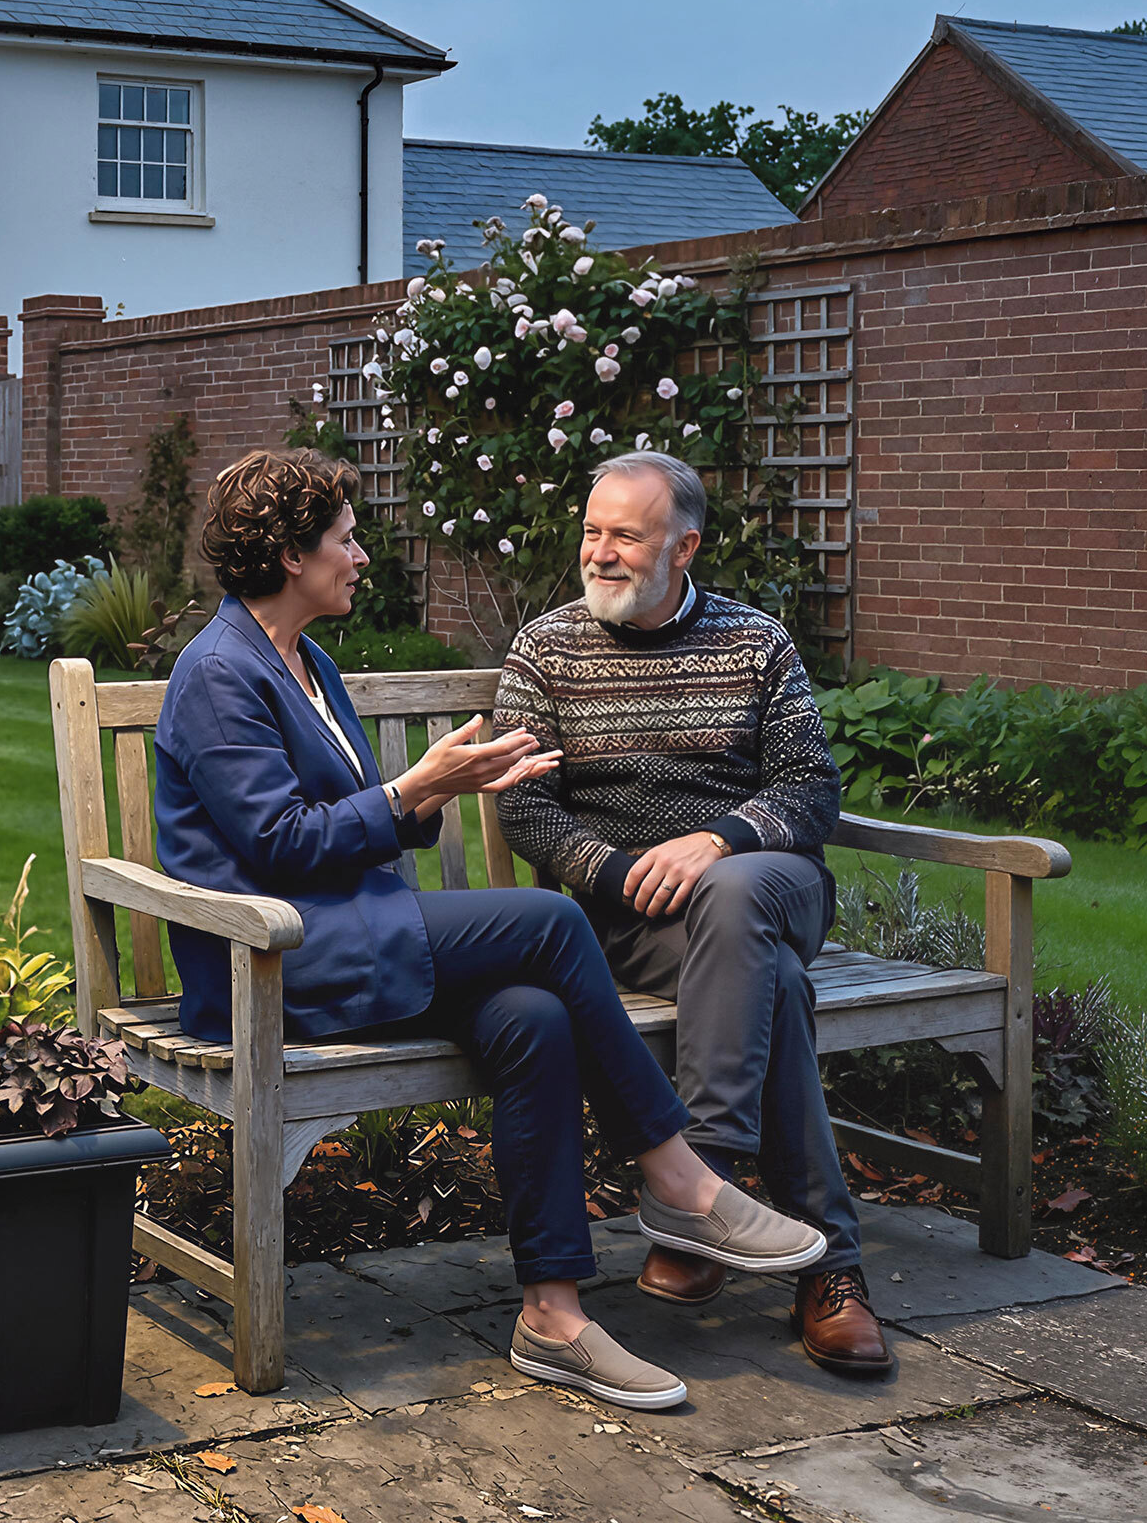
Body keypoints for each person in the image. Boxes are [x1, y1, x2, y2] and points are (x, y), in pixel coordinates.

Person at [154, 448, 827, 1411]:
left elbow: (354, 817)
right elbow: (279, 843)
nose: (362, 557)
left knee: (532, 1018)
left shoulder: (302, 661)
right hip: (273, 961)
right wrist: (412, 790)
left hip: (351, 933)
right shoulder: (220, 673)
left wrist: (432, 793)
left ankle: (553, 1317)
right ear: (293, 556)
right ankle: (678, 1175)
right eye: (346, 540)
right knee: (552, 923)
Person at [494, 450, 891, 1374]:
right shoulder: (546, 649)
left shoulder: (756, 643)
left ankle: (700, 1177)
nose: (600, 552)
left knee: (740, 893)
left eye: (625, 535)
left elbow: (809, 789)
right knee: (778, 989)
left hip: (764, 885)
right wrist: (615, 868)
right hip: (631, 919)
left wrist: (716, 841)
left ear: (685, 545)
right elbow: (524, 806)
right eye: (592, 532)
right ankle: (829, 1266)